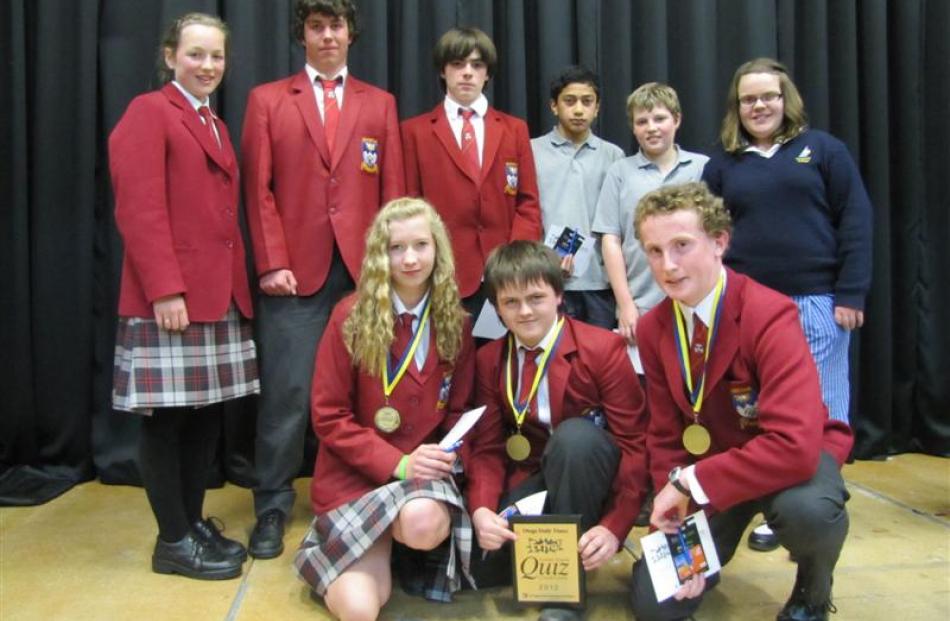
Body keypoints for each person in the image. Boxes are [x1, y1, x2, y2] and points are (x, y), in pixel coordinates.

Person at [628, 182, 853, 621]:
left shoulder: (770, 313)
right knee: (656, 608)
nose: (668, 266)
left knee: (809, 513)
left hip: (786, 464)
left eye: (681, 246)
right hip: (714, 472)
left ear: (719, 242)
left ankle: (812, 587)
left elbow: (794, 445)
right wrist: (675, 535)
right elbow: (664, 436)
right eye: (654, 251)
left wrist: (689, 482)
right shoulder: (654, 328)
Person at [241, 0, 405, 559]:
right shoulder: (267, 100)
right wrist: (271, 261)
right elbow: (257, 188)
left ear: (350, 35)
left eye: (336, 25)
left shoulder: (379, 104)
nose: (327, 35)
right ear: (303, 35)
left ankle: (366, 490)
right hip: (295, 272)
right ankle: (271, 503)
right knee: (287, 394)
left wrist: (389, 266)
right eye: (316, 26)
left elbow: (393, 193)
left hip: (365, 272)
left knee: (369, 391)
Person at [109, 12, 258, 580]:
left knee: (203, 419)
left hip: (216, 295)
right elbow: (139, 209)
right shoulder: (149, 113)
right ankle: (172, 540)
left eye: (216, 56)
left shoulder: (214, 123)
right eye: (196, 54)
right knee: (167, 421)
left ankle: (191, 521)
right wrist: (165, 289)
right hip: (171, 298)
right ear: (170, 56)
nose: (208, 66)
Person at [701, 57, 872, 552]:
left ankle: (810, 506)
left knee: (821, 409)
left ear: (786, 100)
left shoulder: (823, 151)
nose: (759, 106)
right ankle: (764, 497)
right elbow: (709, 234)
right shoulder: (723, 163)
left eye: (768, 96)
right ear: (737, 107)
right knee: (755, 410)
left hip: (817, 301)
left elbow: (856, 219)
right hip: (748, 308)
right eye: (748, 98)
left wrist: (851, 291)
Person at [294, 198, 475, 619]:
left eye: (421, 245)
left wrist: (444, 457)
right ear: (380, 254)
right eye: (396, 248)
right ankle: (362, 546)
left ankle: (400, 543)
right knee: (359, 611)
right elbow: (328, 416)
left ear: (438, 250)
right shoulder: (350, 316)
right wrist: (398, 463)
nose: (410, 258)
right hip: (355, 478)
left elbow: (459, 410)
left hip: (421, 483)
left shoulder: (456, 322)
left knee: (423, 523)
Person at [464, 241, 648, 620]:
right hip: (533, 479)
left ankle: (565, 596)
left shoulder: (603, 349)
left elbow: (634, 444)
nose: (525, 311)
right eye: (511, 302)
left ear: (559, 295)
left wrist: (616, 526)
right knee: (479, 569)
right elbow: (486, 448)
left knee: (575, 438)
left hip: (590, 477)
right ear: (496, 307)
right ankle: (550, 547)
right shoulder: (488, 360)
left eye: (536, 297)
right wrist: (482, 509)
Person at [401, 27, 542, 314]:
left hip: (504, 276)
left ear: (487, 73)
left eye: (477, 65)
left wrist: (513, 261)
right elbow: (409, 207)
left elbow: (528, 203)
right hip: (443, 273)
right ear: (443, 71)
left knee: (503, 358)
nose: (467, 73)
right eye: (457, 64)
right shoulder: (414, 132)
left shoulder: (514, 129)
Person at [592, 82, 708, 346]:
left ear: (677, 120)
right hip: (641, 305)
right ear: (633, 127)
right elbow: (610, 239)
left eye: (660, 118)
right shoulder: (619, 172)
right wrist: (625, 304)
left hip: (698, 302)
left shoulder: (703, 168)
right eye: (642, 121)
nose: (652, 128)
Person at [531, 65, 625, 329]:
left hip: (600, 283)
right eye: (569, 101)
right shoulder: (531, 151)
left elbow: (618, 223)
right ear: (553, 106)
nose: (579, 110)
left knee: (599, 361)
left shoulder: (613, 156)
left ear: (597, 108)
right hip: (547, 280)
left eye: (587, 102)